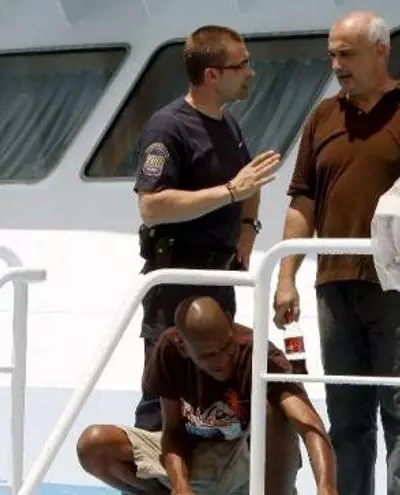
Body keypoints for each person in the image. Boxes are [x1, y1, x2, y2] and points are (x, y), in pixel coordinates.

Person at [272, 10, 400, 495]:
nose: (336, 65)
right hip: (334, 285)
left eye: (346, 55)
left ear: (380, 52)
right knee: (347, 415)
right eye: (332, 55)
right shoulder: (322, 117)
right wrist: (286, 277)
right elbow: (303, 201)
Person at [133, 24, 281, 432]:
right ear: (212, 74)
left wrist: (248, 228)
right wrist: (231, 192)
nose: (250, 72)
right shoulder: (168, 128)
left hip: (219, 278)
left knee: (215, 398)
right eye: (242, 65)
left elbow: (249, 180)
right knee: (165, 393)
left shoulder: (227, 123)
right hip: (177, 282)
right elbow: (151, 206)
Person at [76, 296, 338, 495]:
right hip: (195, 456)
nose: (223, 360)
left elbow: (309, 423)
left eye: (227, 347)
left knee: (276, 411)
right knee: (94, 444)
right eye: (209, 355)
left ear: (230, 324)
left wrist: (326, 487)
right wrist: (180, 485)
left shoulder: (259, 354)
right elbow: (173, 430)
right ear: (183, 346)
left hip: (246, 461)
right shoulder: (169, 350)